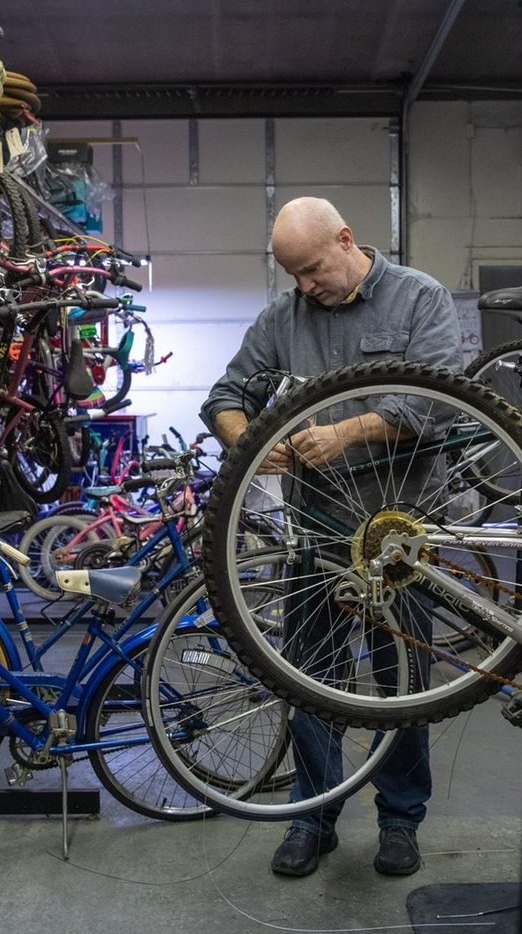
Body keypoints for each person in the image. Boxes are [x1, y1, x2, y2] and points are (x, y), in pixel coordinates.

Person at [200, 197, 465, 878]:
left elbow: (433, 404)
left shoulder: (418, 300)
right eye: (294, 275)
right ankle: (311, 818)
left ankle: (400, 821)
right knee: (308, 676)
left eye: (314, 270)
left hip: (398, 530)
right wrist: (253, 441)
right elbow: (225, 397)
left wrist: (345, 432)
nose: (305, 287)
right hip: (314, 535)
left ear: (346, 240)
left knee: (400, 679)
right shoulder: (284, 319)